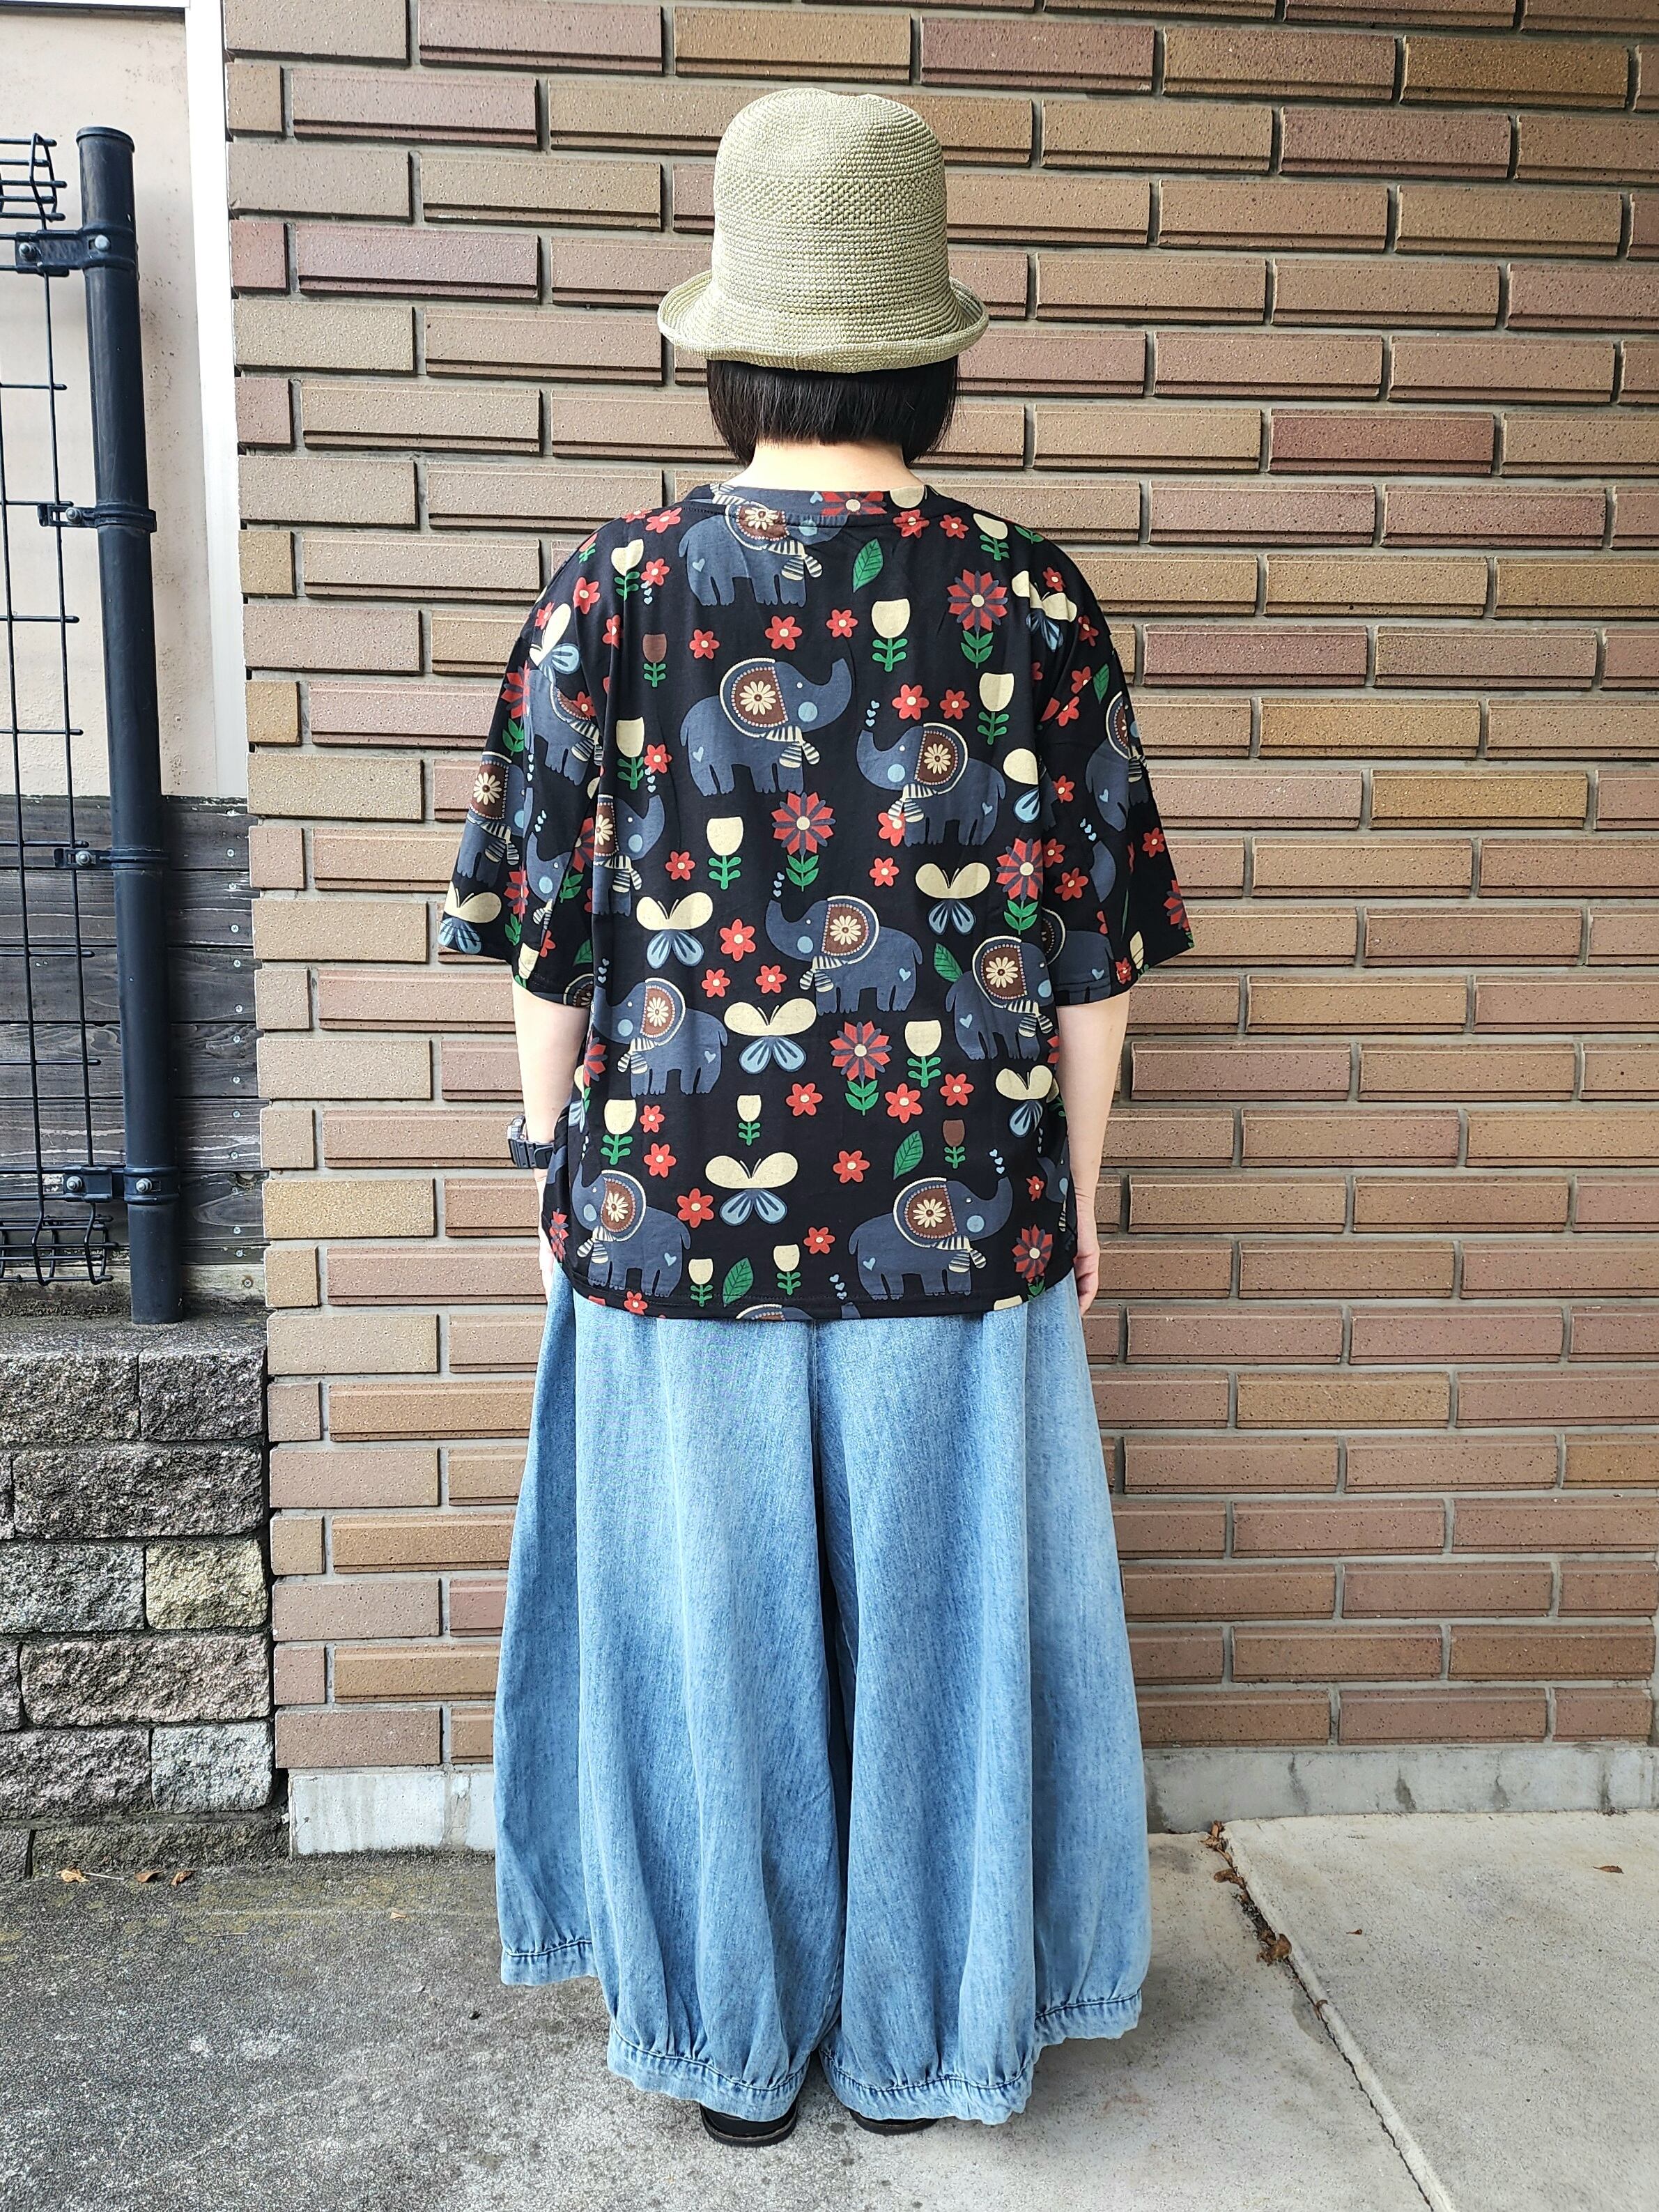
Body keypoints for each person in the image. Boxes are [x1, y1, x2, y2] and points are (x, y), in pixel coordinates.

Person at [440, 87, 1195, 2145]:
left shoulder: (607, 597)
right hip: (959, 1204)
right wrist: (1081, 1194)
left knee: (709, 1640)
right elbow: (1097, 955)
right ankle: (930, 2041)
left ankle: (728, 2046)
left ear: (733, 351)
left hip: (669, 1213)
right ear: (930, 357)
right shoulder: (1032, 602)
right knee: (949, 1643)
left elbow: (544, 945)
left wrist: (549, 1160)